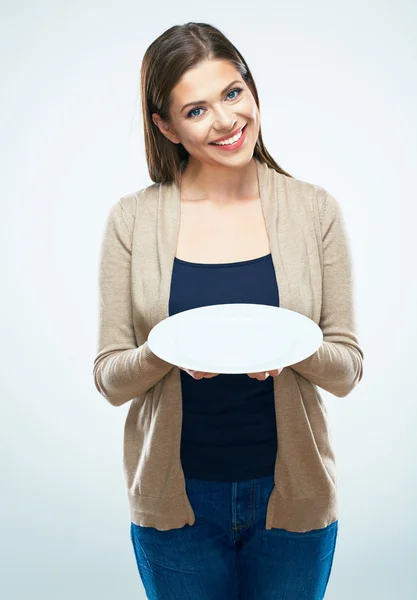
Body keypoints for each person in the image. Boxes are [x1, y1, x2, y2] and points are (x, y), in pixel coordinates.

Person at [93, 21, 364, 600]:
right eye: (196, 110)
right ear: (164, 125)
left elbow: (347, 369)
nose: (225, 121)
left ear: (251, 88)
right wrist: (164, 351)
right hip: (175, 500)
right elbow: (110, 379)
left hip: (293, 497)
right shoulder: (132, 221)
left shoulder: (314, 211)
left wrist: (293, 345)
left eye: (232, 92)